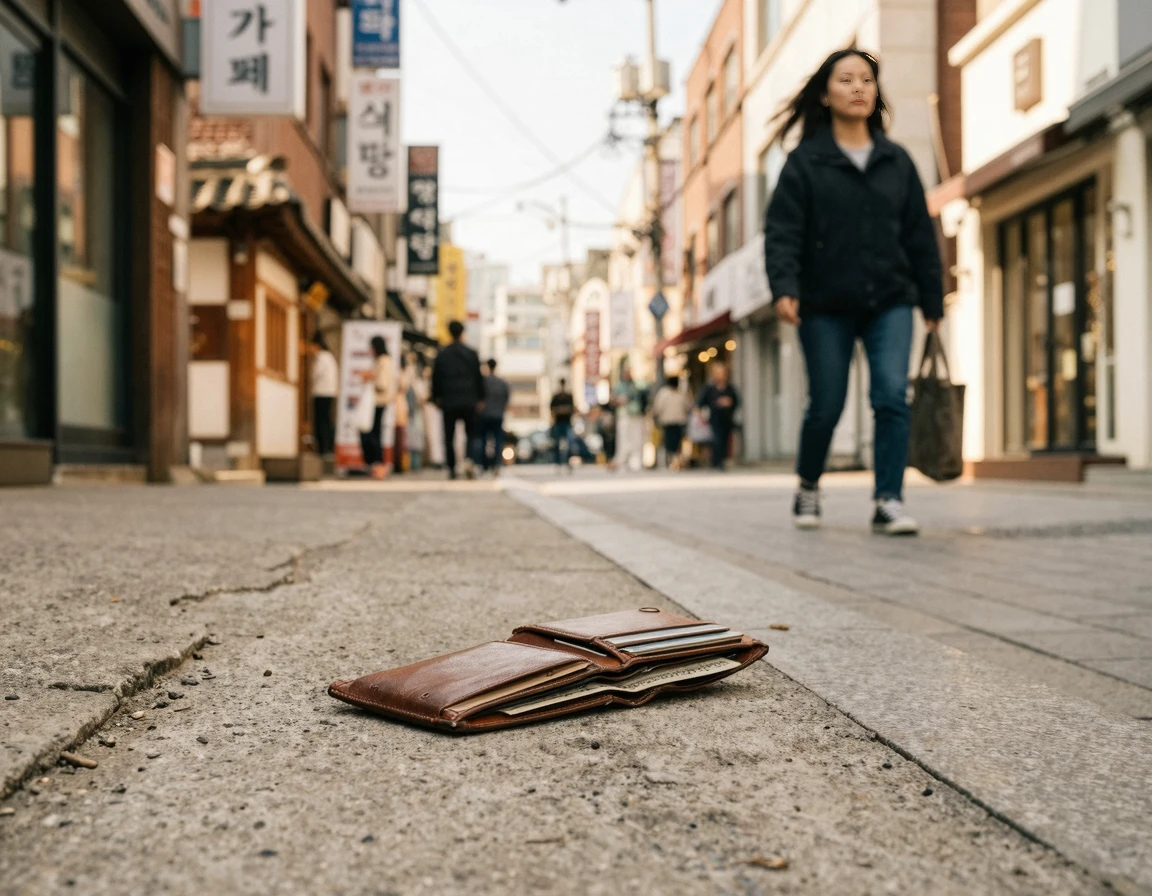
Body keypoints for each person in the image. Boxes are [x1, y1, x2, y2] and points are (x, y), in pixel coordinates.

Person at [764, 49, 943, 535]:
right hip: (825, 302)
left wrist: (933, 298)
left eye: (867, 79)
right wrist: (785, 285)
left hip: (891, 298)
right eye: (846, 80)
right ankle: (808, 484)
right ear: (826, 93)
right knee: (827, 402)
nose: (859, 87)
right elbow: (783, 231)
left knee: (890, 396)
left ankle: (888, 499)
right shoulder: (805, 163)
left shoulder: (896, 161)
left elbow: (919, 235)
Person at [431, 320, 485, 480]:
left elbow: (436, 379)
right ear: (462, 332)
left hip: (449, 400)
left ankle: (452, 468)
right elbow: (478, 377)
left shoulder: (442, 354)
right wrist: (481, 398)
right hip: (469, 399)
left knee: (449, 435)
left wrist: (436, 397)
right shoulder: (471, 353)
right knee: (471, 434)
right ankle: (468, 460)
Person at [360, 336, 395, 480]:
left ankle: (379, 465)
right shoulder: (380, 361)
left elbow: (382, 383)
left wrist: (370, 378)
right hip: (376, 401)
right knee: (372, 432)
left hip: (379, 401)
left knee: (374, 433)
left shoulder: (384, 361)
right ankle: (375, 464)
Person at [696, 364, 740, 471]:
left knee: (724, 440)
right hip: (713, 419)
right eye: (719, 373)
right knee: (717, 439)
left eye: (723, 373)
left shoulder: (730, 388)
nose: (721, 376)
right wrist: (700, 416)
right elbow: (699, 404)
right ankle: (717, 461)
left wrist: (729, 403)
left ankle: (721, 460)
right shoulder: (709, 389)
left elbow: (737, 402)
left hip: (727, 419)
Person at [650, 375, 693, 471]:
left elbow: (657, 407)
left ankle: (672, 460)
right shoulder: (681, 393)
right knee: (675, 442)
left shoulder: (664, 393)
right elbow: (688, 406)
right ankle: (674, 460)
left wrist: (656, 417)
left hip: (670, 420)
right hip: (676, 420)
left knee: (671, 442)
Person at [612, 366, 648, 472]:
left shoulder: (637, 385)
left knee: (637, 439)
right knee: (624, 439)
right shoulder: (619, 386)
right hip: (624, 415)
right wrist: (619, 400)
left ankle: (636, 462)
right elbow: (613, 399)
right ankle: (623, 461)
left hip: (636, 415)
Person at [309, 333, 338, 458]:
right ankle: (329, 448)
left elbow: (315, 374)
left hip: (321, 392)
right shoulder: (330, 356)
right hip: (331, 392)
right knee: (327, 420)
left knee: (321, 421)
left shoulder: (321, 357)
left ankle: (323, 448)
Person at [479, 359, 510, 475]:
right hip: (498, 415)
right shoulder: (502, 383)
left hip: (485, 415)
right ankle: (497, 464)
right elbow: (506, 399)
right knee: (498, 441)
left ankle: (484, 465)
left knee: (483, 440)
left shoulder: (483, 382)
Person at [549, 379, 576, 473]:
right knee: (556, 445)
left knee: (570, 444)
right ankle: (557, 463)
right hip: (558, 423)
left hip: (567, 423)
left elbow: (572, 409)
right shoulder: (556, 397)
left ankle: (568, 463)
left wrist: (561, 410)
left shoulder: (569, 397)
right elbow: (552, 410)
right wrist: (563, 410)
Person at [407, 356, 427, 472]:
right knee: (413, 440)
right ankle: (413, 464)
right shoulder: (413, 384)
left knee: (416, 439)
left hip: (416, 414)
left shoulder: (416, 384)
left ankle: (416, 463)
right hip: (413, 414)